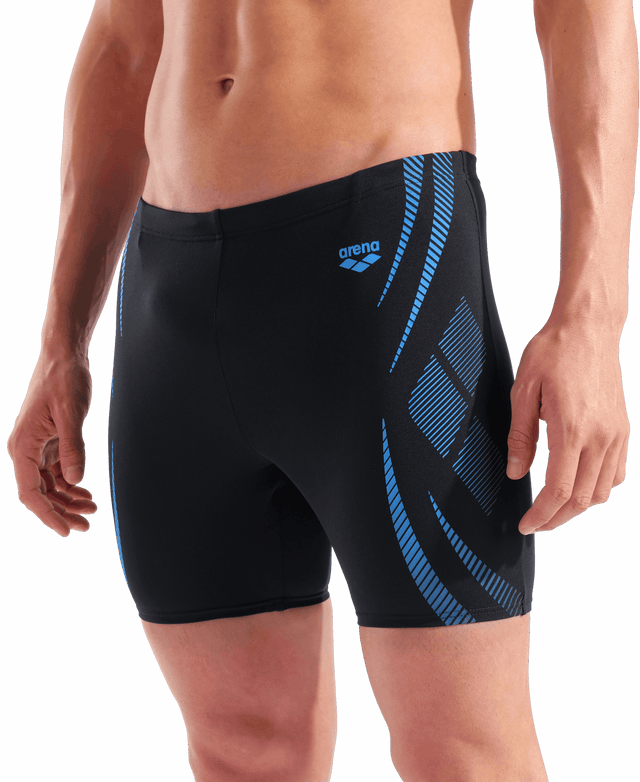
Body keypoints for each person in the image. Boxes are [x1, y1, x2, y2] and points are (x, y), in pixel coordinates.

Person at [6, 1, 634, 781]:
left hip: (385, 265)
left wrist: (592, 315)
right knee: (241, 750)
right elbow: (128, 40)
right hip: (172, 292)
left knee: (465, 755)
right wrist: (61, 342)